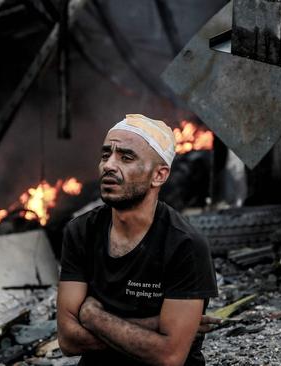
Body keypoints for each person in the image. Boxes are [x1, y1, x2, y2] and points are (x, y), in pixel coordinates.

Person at [57, 114, 219, 366]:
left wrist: (92, 317)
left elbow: (169, 355)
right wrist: (152, 325)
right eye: (105, 155)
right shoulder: (80, 232)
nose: (109, 165)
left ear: (159, 175)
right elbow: (68, 340)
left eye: (126, 157)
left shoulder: (185, 244)